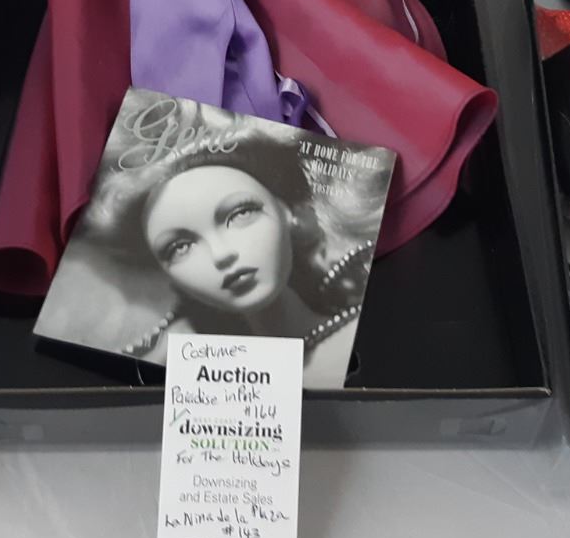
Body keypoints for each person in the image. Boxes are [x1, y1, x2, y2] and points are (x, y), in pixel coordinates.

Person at [99, 131, 374, 388]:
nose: (221, 255)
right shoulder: (195, 375)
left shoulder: (363, 338)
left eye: (241, 213)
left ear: (291, 214)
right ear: (167, 276)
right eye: (179, 247)